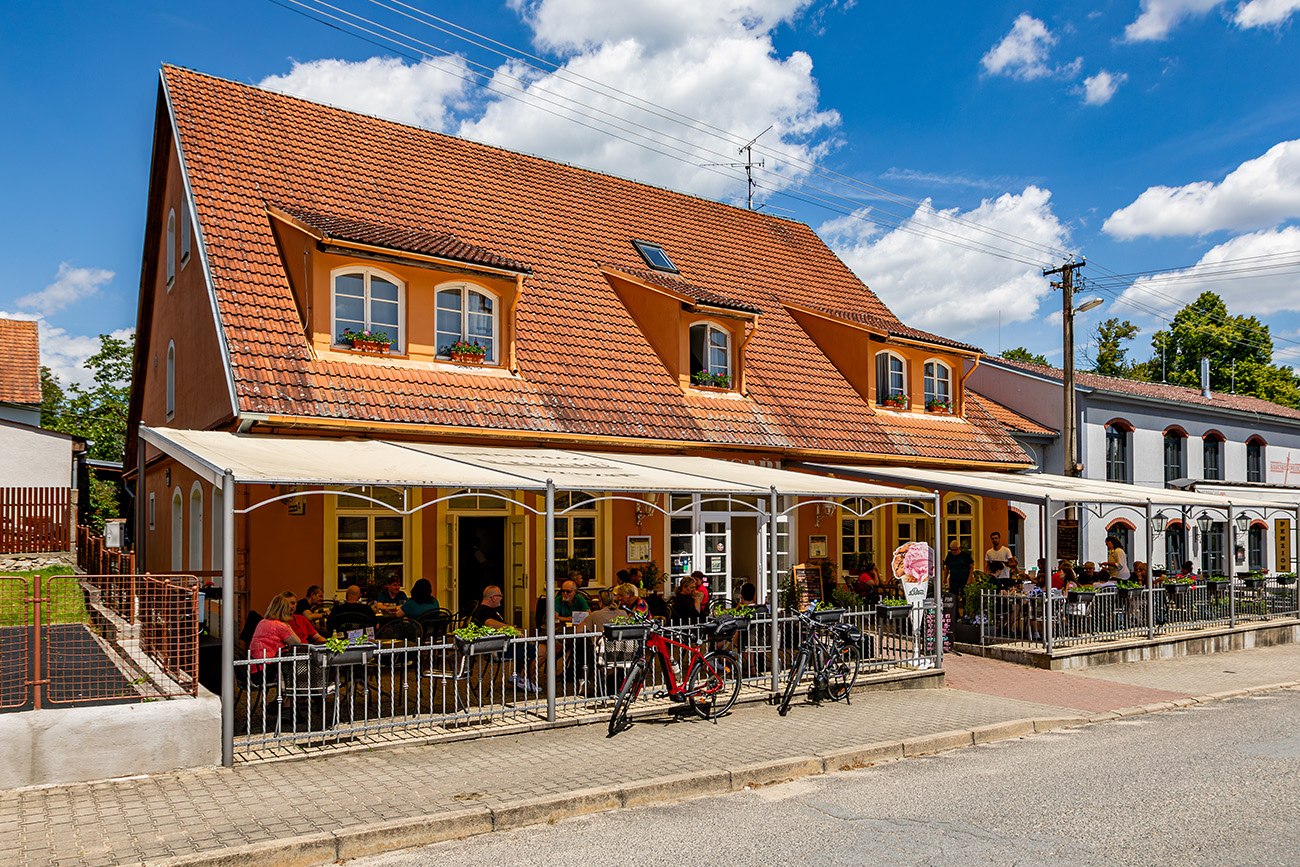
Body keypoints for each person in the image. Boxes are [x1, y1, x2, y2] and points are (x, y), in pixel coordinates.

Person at [471, 585, 543, 693]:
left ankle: (516, 676)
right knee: (537, 650)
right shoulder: (483, 611)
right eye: (500, 596)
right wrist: (512, 629)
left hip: (500, 645)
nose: (501, 598)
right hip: (497, 649)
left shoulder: (487, 610)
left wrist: (517, 630)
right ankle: (526, 679)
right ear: (493, 598)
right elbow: (490, 623)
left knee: (525, 645)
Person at [249, 591, 302, 672]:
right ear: (283, 610)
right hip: (269, 668)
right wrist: (287, 624)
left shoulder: (263, 622)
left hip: (255, 667)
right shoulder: (280, 626)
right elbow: (297, 643)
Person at [943, 541, 974, 613]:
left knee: (965, 597)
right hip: (953, 580)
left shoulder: (965, 555)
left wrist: (970, 578)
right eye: (952, 550)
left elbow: (971, 567)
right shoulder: (950, 556)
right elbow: (947, 568)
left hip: (964, 579)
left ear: (959, 548)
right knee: (953, 597)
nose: (953, 551)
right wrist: (945, 578)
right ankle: (955, 614)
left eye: (955, 550)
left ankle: (966, 613)